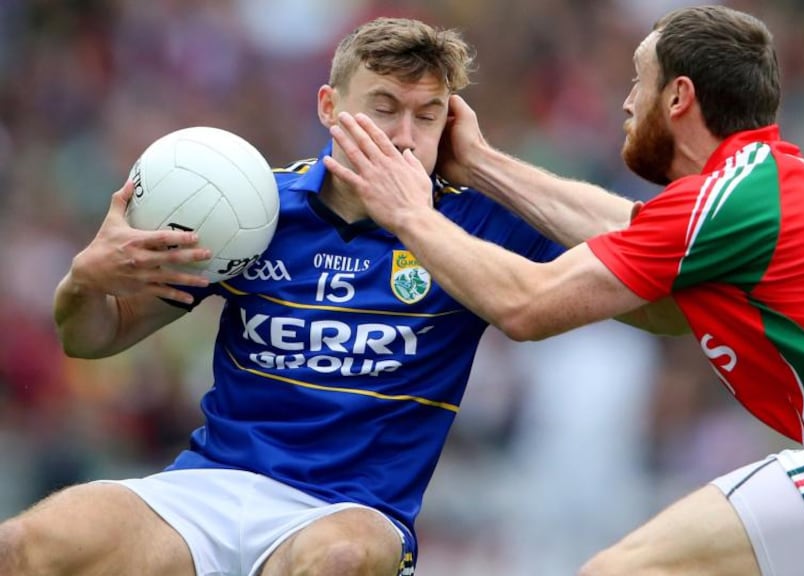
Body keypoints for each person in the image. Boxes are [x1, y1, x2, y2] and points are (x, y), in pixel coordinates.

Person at [326, 5, 804, 575]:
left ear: (679, 96)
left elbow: (526, 305)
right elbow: (635, 244)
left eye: (639, 81)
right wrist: (480, 164)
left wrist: (409, 212)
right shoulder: (756, 187)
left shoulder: (733, 195)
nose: (627, 103)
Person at [0, 17, 572, 576]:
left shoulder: (474, 223)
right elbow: (91, 337)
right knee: (20, 547)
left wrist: (486, 165)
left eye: (427, 116)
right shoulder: (252, 208)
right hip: (210, 488)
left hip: (350, 511)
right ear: (328, 106)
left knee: (338, 561)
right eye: (383, 108)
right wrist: (85, 281)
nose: (404, 136)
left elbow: (626, 256)